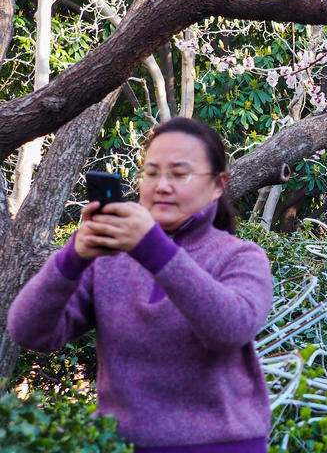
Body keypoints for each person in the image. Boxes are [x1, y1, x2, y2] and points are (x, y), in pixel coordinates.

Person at [7, 117, 274, 453]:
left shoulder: (241, 257)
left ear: (218, 184)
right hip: (121, 446)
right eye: (151, 172)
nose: (162, 185)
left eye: (179, 174)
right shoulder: (109, 259)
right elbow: (29, 332)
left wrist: (152, 248)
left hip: (222, 445)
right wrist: (71, 258)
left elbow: (230, 329)